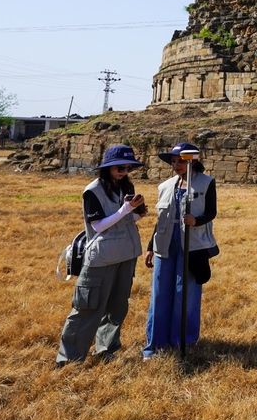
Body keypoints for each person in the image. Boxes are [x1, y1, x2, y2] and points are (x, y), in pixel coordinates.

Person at [56, 144, 148, 365]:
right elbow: (98, 226)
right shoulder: (93, 190)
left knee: (117, 307)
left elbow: (123, 222)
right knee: (87, 308)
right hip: (101, 258)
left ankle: (106, 350)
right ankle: (68, 359)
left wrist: (137, 214)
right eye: (120, 166)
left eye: (128, 167)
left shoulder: (125, 186)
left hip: (126, 255)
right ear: (108, 167)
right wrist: (125, 210)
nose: (124, 170)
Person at [142, 142, 219, 359]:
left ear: (191, 161)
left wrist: (196, 220)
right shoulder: (165, 186)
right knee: (159, 294)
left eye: (180, 161)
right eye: (173, 161)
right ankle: (155, 345)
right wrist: (150, 247)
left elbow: (211, 212)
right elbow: (161, 219)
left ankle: (183, 342)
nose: (175, 165)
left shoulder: (206, 183)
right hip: (165, 245)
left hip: (192, 246)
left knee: (185, 294)